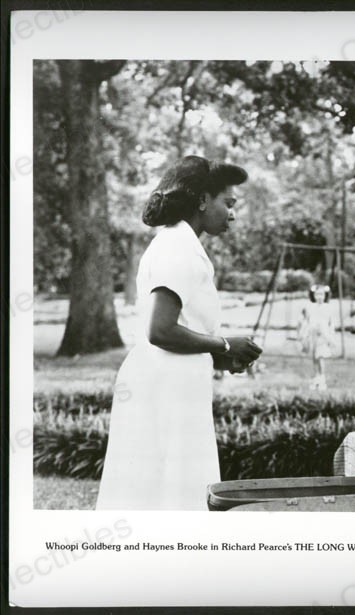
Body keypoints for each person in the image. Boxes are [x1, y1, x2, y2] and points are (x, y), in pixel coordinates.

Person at [97, 155, 262, 511]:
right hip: (165, 387)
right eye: (228, 203)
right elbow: (160, 330)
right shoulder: (177, 247)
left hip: (172, 381)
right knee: (166, 493)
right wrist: (223, 345)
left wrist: (221, 355)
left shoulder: (180, 244)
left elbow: (181, 326)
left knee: (165, 490)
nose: (232, 214)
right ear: (202, 200)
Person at [297, 284, 337, 390]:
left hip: (323, 335)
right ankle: (316, 378)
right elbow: (307, 321)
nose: (319, 297)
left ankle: (322, 379)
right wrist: (303, 334)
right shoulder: (310, 307)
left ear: (325, 295)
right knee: (314, 358)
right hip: (313, 334)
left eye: (322, 294)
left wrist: (331, 337)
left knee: (320, 357)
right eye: (317, 294)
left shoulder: (328, 307)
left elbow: (331, 323)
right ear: (313, 295)